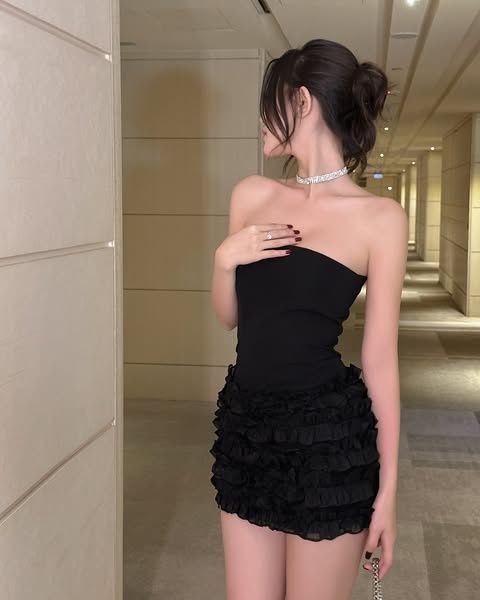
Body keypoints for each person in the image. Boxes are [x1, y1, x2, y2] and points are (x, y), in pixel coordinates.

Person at [209, 38, 407, 600]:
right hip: (248, 428)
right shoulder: (252, 194)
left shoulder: (380, 219)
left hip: (327, 438)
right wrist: (224, 260)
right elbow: (230, 318)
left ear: (301, 100)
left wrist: (388, 492)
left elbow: (379, 360)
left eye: (267, 103)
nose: (259, 119)